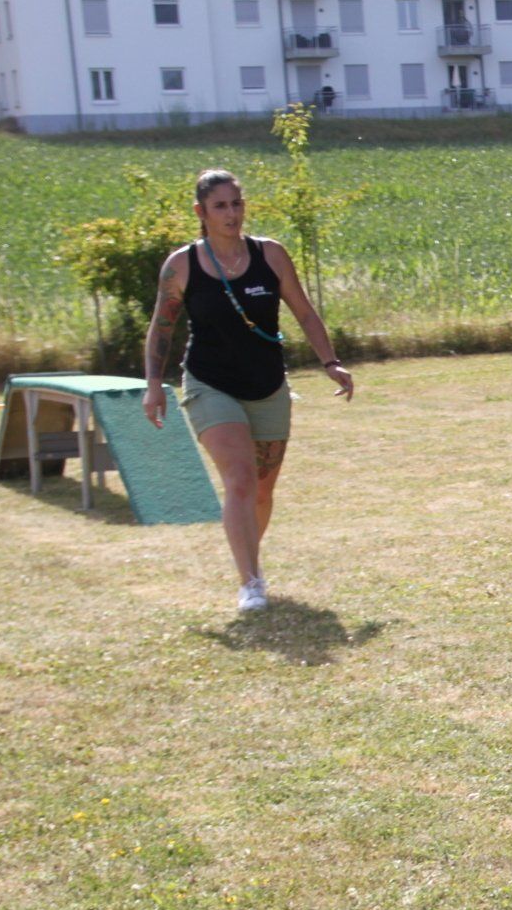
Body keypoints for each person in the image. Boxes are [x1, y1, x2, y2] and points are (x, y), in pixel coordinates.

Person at [143, 168, 355, 613]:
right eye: (220, 206)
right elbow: (161, 328)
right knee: (239, 479)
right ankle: (251, 582)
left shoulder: (270, 255)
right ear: (201, 212)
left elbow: (304, 312)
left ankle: (246, 556)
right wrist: (153, 385)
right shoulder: (182, 265)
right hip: (209, 384)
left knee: (260, 490)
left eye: (236, 203)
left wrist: (330, 362)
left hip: (268, 386)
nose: (231, 213)